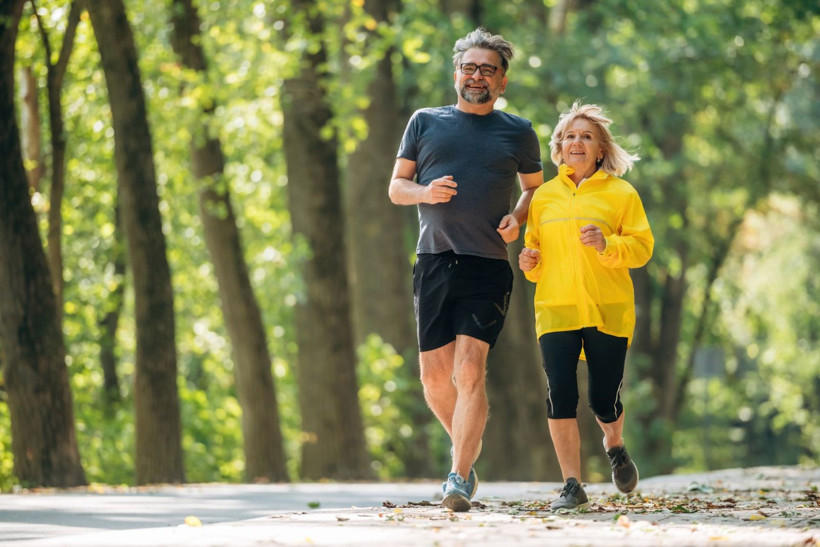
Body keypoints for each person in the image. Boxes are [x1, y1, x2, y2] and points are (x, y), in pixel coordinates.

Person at [388, 27, 543, 512]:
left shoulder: (518, 130)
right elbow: (396, 187)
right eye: (470, 67)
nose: (477, 76)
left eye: (488, 70)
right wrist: (425, 193)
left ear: (502, 82)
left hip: (487, 264)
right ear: (457, 73)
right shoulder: (424, 122)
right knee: (435, 379)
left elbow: (537, 189)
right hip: (434, 260)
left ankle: (457, 478)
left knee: (470, 369)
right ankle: (467, 455)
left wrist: (517, 218)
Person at [519, 101, 654, 511]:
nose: (576, 142)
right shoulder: (543, 197)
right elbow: (534, 252)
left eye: (586, 136)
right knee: (559, 394)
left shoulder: (621, 193)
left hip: (607, 308)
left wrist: (608, 244)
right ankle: (572, 485)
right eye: (569, 136)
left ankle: (615, 445)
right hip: (556, 308)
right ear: (559, 147)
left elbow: (642, 248)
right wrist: (529, 262)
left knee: (602, 399)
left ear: (600, 149)